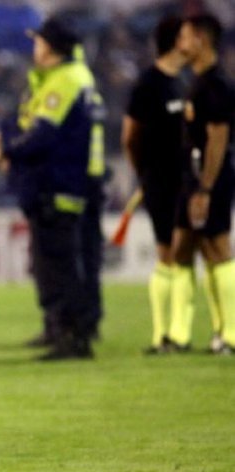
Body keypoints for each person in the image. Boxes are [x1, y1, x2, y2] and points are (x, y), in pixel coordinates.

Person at [0, 16, 105, 360]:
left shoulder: (64, 80)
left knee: (59, 263)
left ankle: (72, 336)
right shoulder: (66, 77)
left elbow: (43, 134)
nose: (35, 47)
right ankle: (66, 331)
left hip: (58, 183)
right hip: (62, 182)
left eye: (39, 41)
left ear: (52, 47)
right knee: (59, 261)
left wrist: (9, 150)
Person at [168, 13, 235, 355]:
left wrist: (206, 188)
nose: (180, 44)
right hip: (191, 177)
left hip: (210, 178)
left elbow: (218, 139)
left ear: (201, 39)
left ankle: (231, 334)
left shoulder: (217, 85)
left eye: (184, 37)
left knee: (218, 248)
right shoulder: (197, 81)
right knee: (182, 248)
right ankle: (179, 335)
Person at [122, 16, 189, 353]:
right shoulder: (149, 84)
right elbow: (129, 137)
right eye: (188, 35)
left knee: (184, 255)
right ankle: (164, 335)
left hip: (186, 181)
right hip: (161, 180)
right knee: (168, 253)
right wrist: (144, 175)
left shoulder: (182, 81)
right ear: (176, 41)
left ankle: (179, 333)